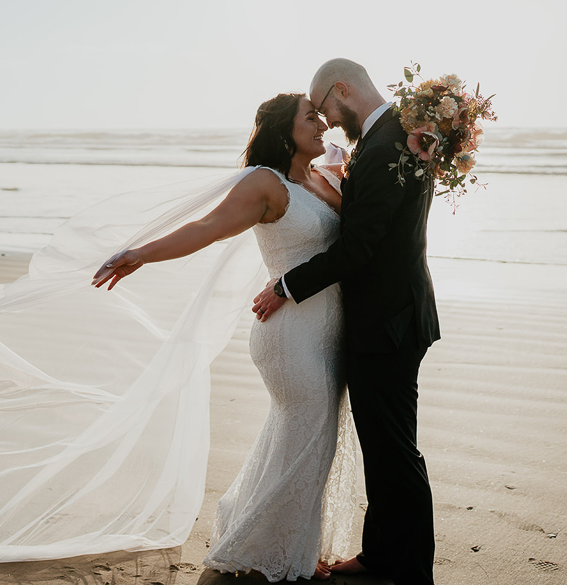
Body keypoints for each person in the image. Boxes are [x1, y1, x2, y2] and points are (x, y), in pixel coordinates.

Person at [95, 93, 357, 581]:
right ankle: (267, 551)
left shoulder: (322, 177)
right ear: (284, 131)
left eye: (322, 117)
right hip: (290, 333)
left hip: (329, 329)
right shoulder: (265, 183)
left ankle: (284, 544)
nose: (322, 124)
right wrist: (142, 254)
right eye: (310, 117)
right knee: (308, 437)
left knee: (306, 438)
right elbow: (210, 226)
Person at [252, 59, 441, 584]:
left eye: (328, 111)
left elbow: (359, 246)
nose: (329, 124)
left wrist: (287, 286)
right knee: (386, 446)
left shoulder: (387, 145)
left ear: (343, 88)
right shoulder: (404, 135)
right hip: (400, 313)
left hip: (388, 321)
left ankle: (404, 569)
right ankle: (384, 555)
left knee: (394, 451)